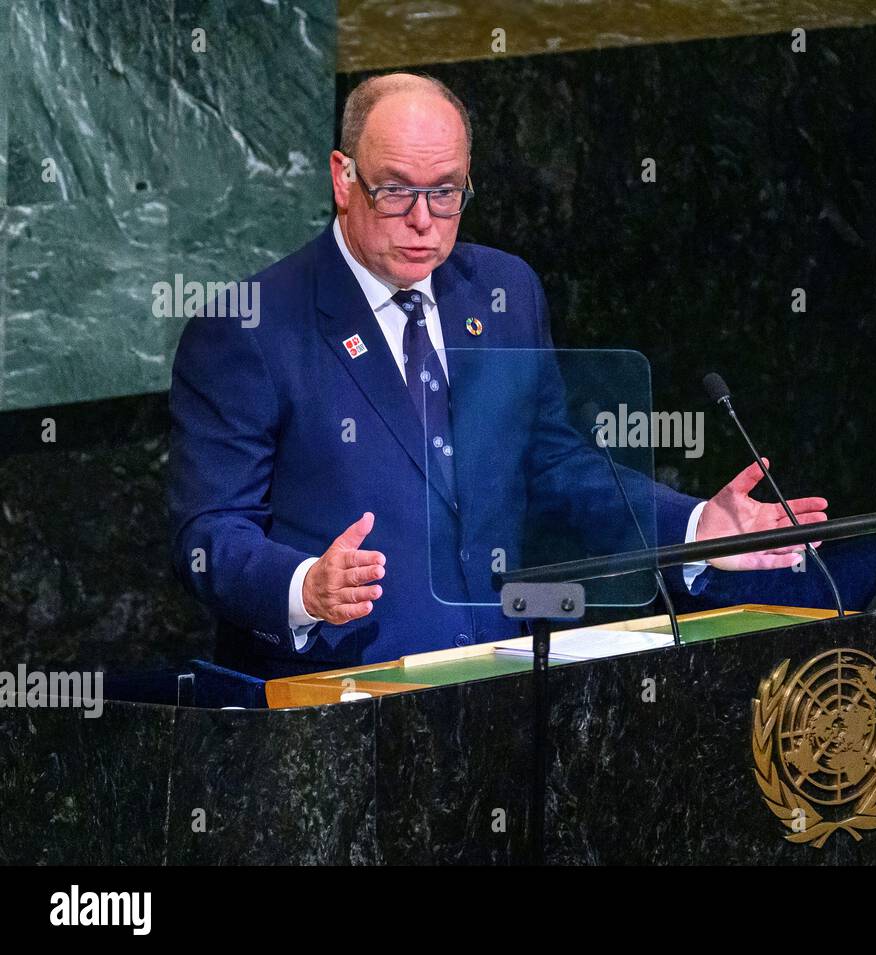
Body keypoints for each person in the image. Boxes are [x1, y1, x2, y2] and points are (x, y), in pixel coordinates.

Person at [168, 73, 827, 677]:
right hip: (340, 706)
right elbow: (209, 534)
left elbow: (552, 466)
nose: (424, 220)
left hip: (500, 688)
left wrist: (691, 529)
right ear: (343, 178)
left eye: (447, 192)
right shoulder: (250, 327)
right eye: (396, 189)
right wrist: (305, 586)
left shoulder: (502, 291)